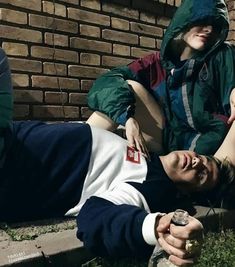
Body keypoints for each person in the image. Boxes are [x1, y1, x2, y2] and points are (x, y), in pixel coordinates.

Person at [1, 119, 235, 265]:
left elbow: (95, 219)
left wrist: (155, 226)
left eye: (202, 174)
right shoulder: (150, 155)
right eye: (202, 158)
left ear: (188, 193)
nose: (196, 163)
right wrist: (128, 117)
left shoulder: (153, 188)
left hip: (13, 165)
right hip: (14, 132)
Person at [87, 0, 235, 156]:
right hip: (167, 142)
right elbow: (107, 81)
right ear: (185, 20)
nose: (209, 29)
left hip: (213, 151)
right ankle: (74, 150)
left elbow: (231, 77)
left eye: (215, 25)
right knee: (127, 87)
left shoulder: (221, 56)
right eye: (203, 20)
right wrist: (128, 119)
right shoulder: (156, 63)